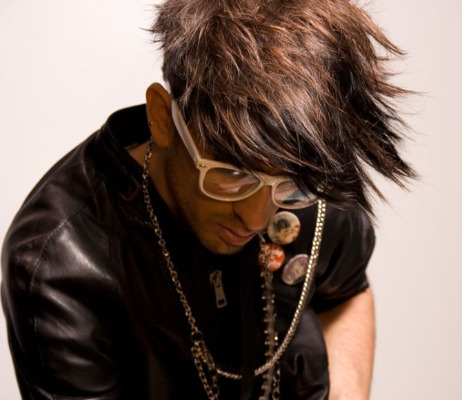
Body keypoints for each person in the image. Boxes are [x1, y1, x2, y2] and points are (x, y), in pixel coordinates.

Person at [1, 0, 415, 399]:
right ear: (162, 117)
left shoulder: (307, 169)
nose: (256, 216)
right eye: (232, 175)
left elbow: (346, 290)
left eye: (287, 184)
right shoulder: (57, 267)